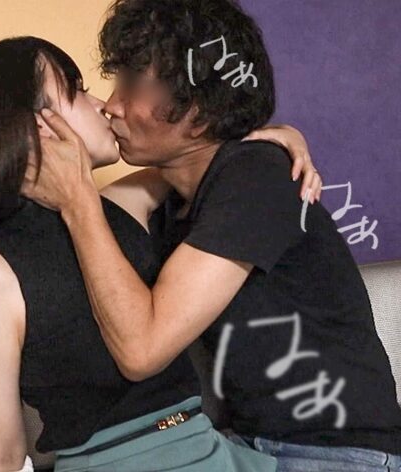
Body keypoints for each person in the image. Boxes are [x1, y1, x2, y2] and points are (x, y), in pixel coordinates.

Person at [22, 1, 401, 471]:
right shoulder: (179, 196)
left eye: (132, 85)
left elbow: (141, 351)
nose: (112, 106)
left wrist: (78, 199)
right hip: (245, 446)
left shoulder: (256, 177)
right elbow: (76, 218)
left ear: (197, 112)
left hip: (339, 454)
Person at [0, 36, 320, 472]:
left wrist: (283, 137)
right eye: (78, 91)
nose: (104, 106)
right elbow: (3, 452)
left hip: (212, 448)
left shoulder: (121, 204)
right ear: (39, 125)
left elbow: (205, 154)